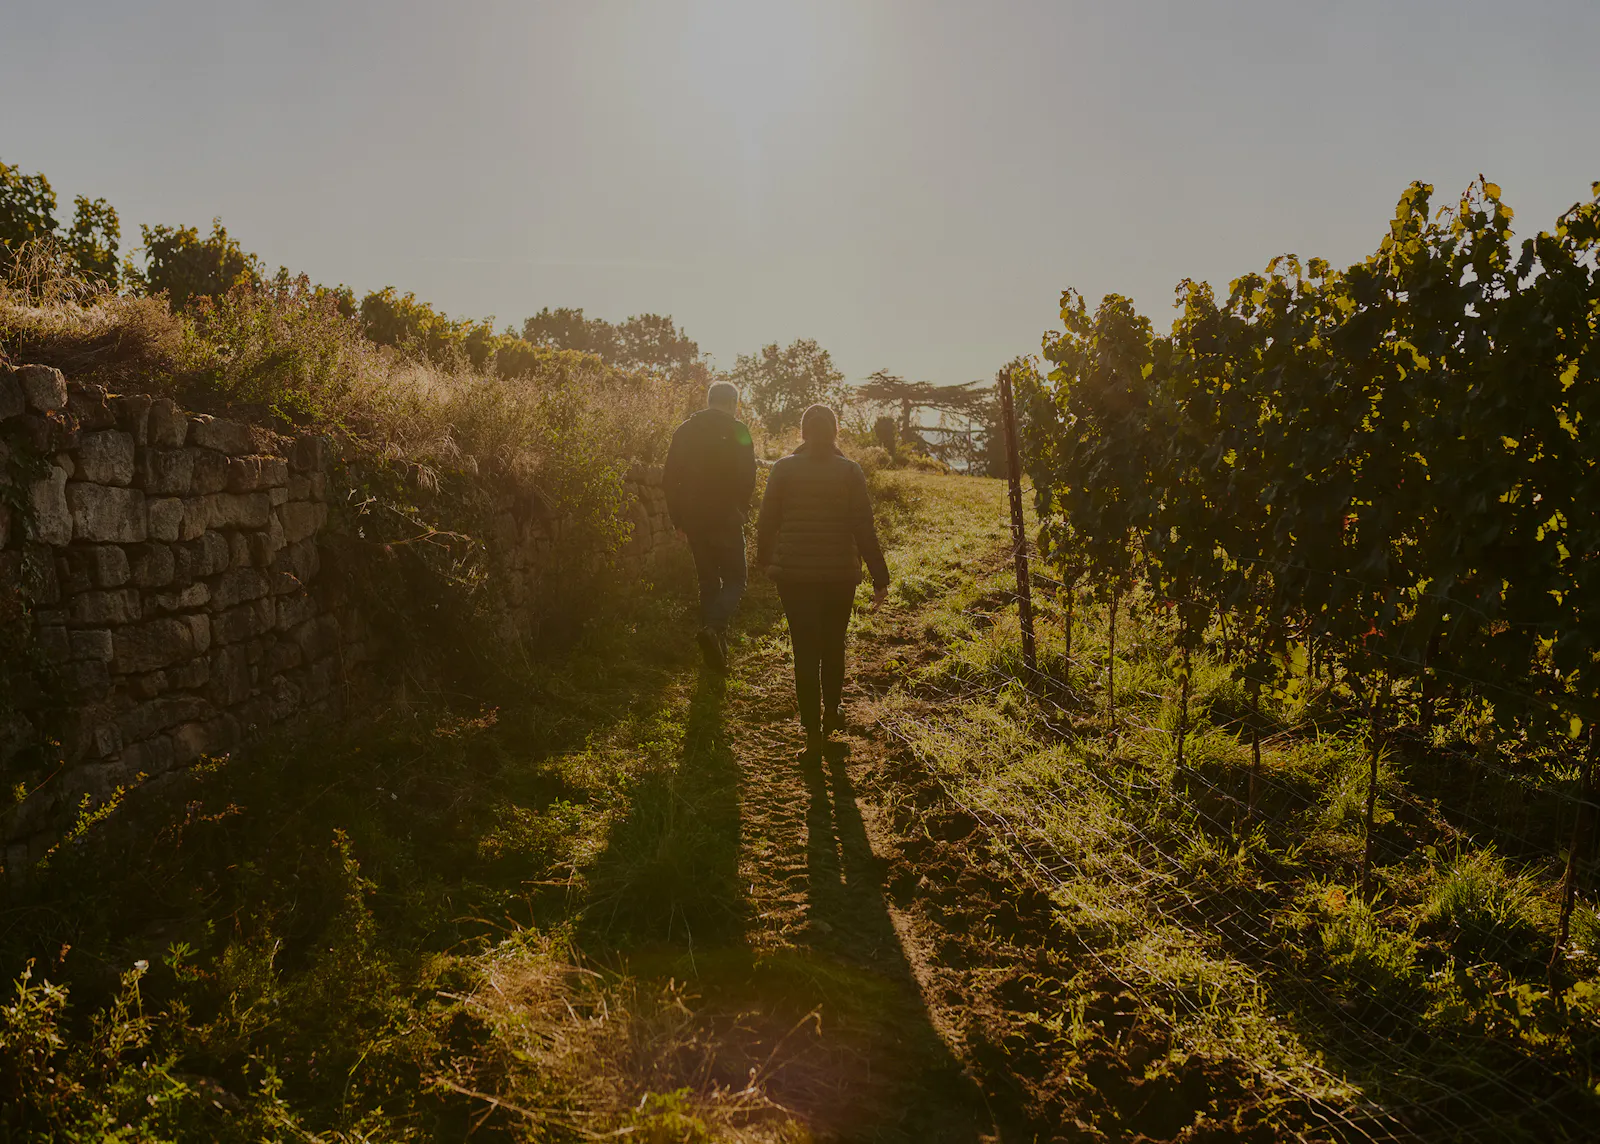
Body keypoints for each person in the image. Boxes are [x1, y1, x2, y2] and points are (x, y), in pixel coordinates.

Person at [757, 404, 890, 754]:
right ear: (835, 432)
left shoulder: (783, 469)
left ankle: (812, 734)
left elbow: (766, 521)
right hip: (839, 575)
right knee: (833, 645)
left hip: (794, 576)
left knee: (804, 651)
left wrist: (764, 564)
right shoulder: (850, 471)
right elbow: (863, 527)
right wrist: (880, 577)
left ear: (803, 433)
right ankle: (832, 712)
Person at [663, 381, 758, 670]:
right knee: (736, 579)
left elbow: (669, 479)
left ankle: (714, 648)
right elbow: (748, 476)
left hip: (694, 519)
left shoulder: (684, 430)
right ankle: (714, 629)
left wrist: (678, 519)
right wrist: (740, 507)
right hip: (727, 518)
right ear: (732, 403)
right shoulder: (739, 430)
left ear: (709, 400)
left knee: (707, 583)